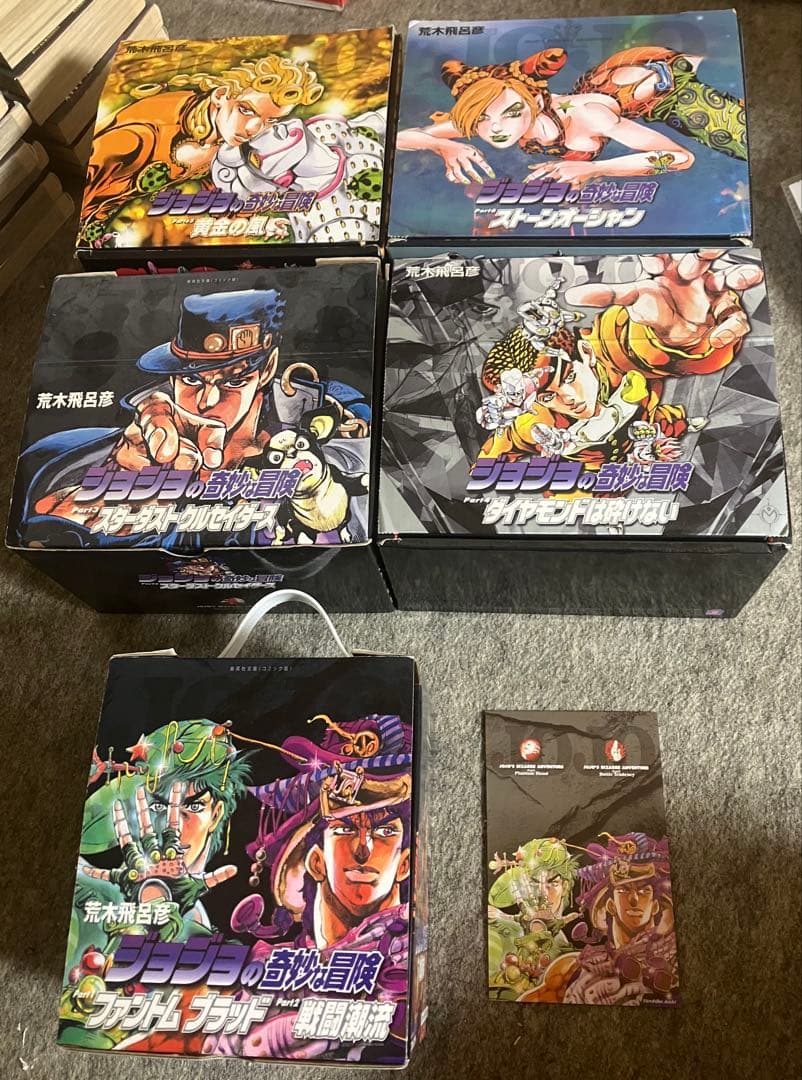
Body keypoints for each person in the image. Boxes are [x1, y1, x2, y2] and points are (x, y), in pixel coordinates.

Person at [19, 289, 371, 548]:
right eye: (190, 379)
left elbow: (365, 497)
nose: (206, 401)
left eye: (233, 381)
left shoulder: (331, 412)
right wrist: (115, 497)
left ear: (267, 369)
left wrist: (315, 483)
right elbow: (39, 516)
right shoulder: (83, 450)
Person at [59, 719, 252, 1047]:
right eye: (160, 805)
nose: (172, 824)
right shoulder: (93, 892)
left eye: (193, 806)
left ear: (217, 813)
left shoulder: (206, 934)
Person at [475, 251, 762, 468]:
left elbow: (628, 344)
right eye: (548, 396)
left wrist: (685, 335)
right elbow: (484, 468)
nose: (568, 398)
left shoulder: (608, 355)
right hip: (580, 494)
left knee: (667, 421)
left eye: (569, 378)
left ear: (586, 354)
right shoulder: (533, 424)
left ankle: (686, 423)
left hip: (642, 441)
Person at [397, 44, 746, 189]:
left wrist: (596, 168)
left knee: (742, 138)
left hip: (656, 88)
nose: (496, 128)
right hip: (600, 86)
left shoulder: (588, 116)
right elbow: (400, 138)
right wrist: (443, 147)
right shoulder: (491, 117)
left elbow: (680, 157)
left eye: (510, 112)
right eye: (481, 121)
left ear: (535, 99)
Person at [80, 54, 324, 239]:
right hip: (92, 222)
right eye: (246, 110)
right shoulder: (139, 136)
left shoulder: (227, 139)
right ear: (221, 95)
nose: (254, 129)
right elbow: (90, 187)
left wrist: (259, 223)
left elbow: (226, 195)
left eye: (270, 121)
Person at [520, 832, 678, 1005]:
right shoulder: (578, 965)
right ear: (609, 905)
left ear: (656, 905)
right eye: (624, 890)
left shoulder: (670, 951)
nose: (634, 899)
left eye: (643, 891)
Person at [487, 838, 580, 998]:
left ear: (565, 887)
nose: (543, 893)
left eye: (553, 883)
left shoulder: (563, 946)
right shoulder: (499, 931)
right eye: (534, 883)